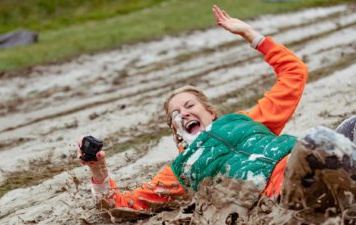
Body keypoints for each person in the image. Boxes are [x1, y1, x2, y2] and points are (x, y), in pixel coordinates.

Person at [77, 5, 356, 222]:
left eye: (189, 106)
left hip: (307, 165)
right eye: (176, 114)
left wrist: (251, 36)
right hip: (285, 194)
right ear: (175, 133)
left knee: (350, 126)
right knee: (319, 140)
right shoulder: (181, 170)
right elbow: (119, 206)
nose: (183, 114)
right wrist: (97, 170)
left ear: (209, 111)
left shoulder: (245, 120)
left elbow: (294, 73)